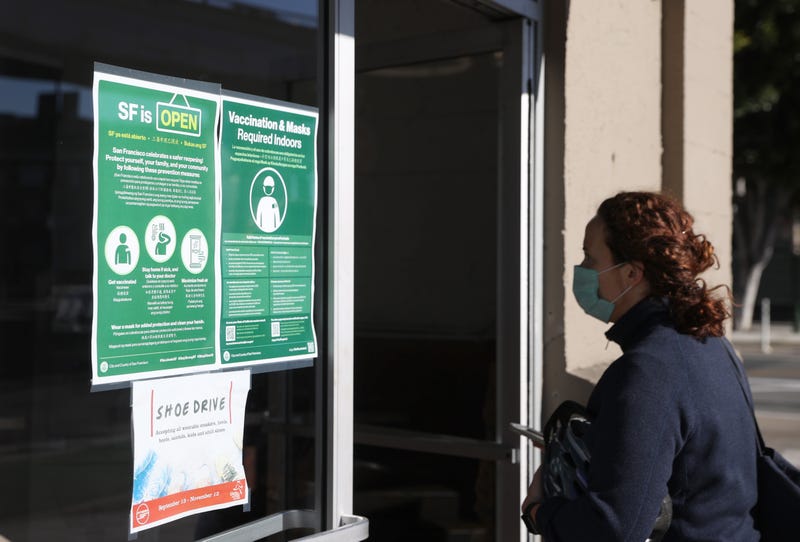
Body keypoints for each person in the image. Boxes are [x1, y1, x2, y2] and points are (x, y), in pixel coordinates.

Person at [522, 191, 760, 541]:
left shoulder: (649, 371)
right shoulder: (711, 343)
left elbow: (614, 527)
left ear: (631, 273)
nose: (581, 270)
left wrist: (540, 511)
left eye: (590, 257)